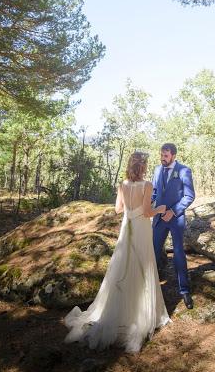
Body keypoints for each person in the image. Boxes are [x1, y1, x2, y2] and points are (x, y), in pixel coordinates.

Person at [63, 151, 170, 353]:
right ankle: (141, 313)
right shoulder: (147, 185)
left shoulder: (123, 184)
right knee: (142, 266)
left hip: (126, 226)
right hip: (140, 229)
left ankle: (116, 310)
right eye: (145, 164)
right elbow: (148, 212)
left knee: (122, 267)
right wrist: (161, 208)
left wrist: (131, 210)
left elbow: (117, 210)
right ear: (143, 166)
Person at [152, 143, 195, 309]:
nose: (163, 158)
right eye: (161, 155)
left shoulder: (184, 171)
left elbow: (189, 196)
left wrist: (174, 211)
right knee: (153, 252)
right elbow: (154, 192)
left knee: (178, 254)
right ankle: (150, 288)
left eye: (166, 156)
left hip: (176, 220)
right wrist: (145, 205)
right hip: (158, 219)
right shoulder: (157, 170)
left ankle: (184, 290)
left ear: (174, 156)